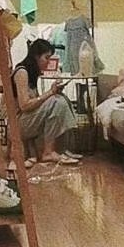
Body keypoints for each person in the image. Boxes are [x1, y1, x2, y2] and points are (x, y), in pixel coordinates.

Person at [12, 38, 81, 166]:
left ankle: (58, 149)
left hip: (25, 120)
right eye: (46, 58)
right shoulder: (22, 72)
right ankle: (48, 152)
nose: (48, 62)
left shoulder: (31, 73)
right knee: (57, 102)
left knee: (61, 99)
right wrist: (50, 93)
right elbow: (25, 105)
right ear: (36, 57)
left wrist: (53, 93)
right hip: (16, 123)